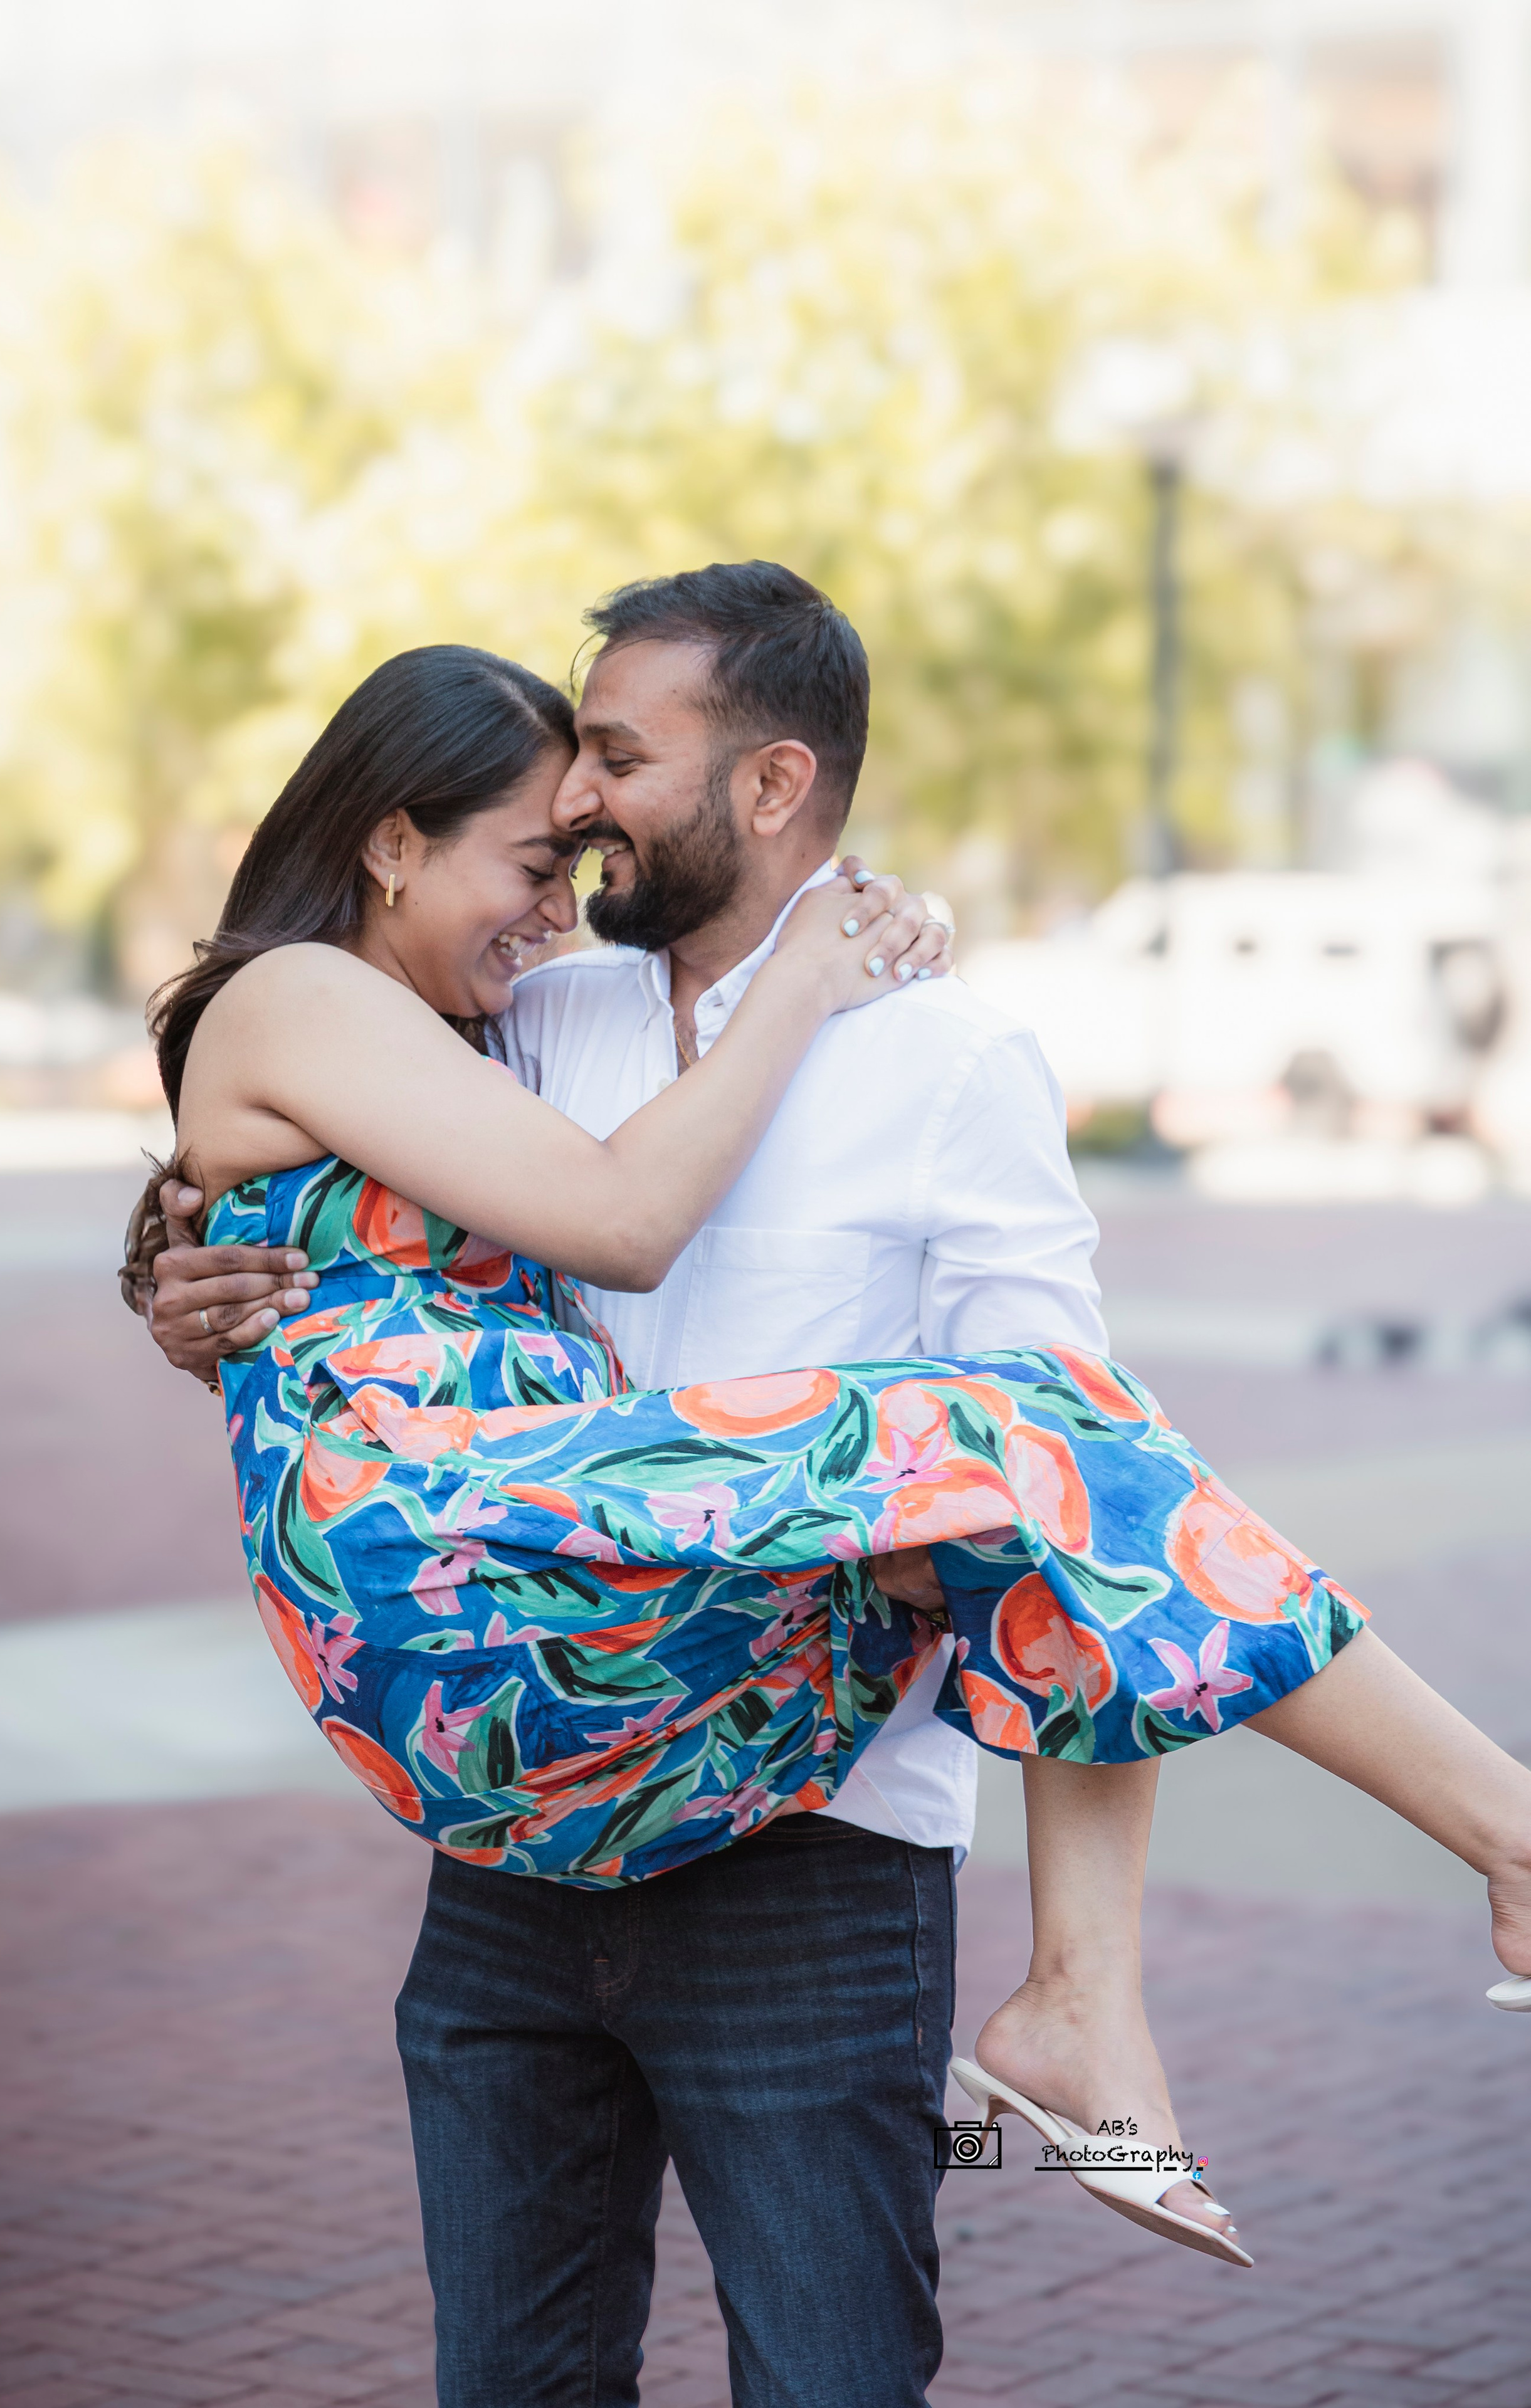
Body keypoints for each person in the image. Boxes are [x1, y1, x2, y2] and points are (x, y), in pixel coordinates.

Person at [127, 568, 1531, 2408]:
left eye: (617, 770)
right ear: (393, 842)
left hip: (781, 1799)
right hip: (496, 1698)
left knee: (1054, 1455)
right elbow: (525, 1210)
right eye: (543, 837)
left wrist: (197, 1256)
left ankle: (1110, 1991)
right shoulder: (522, 1015)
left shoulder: (943, 1054)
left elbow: (1092, 1538)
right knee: (1032, 1442)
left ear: (776, 781)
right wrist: (174, 1281)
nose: (578, 853)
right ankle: (1453, 1857)